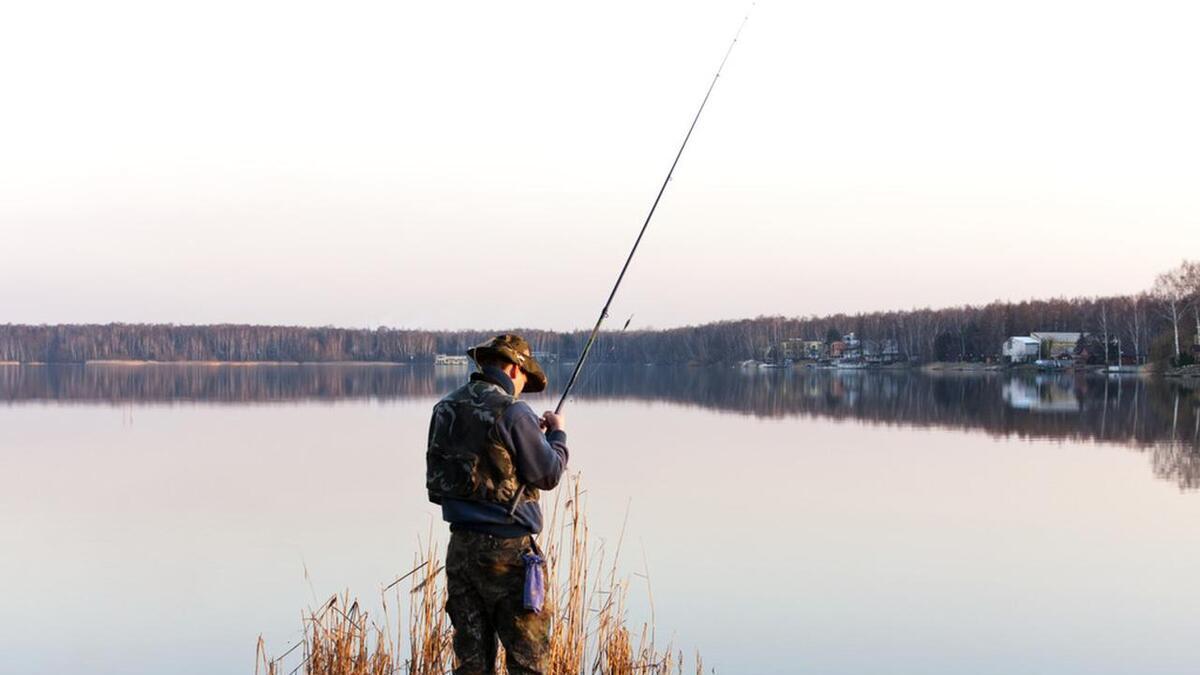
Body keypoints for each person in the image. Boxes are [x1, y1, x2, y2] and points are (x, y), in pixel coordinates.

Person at [426, 333, 569, 675]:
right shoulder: (513, 410)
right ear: (513, 368)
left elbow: (437, 488)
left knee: (472, 665)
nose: (521, 388)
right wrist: (557, 436)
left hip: (460, 552)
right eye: (523, 379)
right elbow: (548, 474)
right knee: (528, 663)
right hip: (508, 555)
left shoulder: (444, 408)